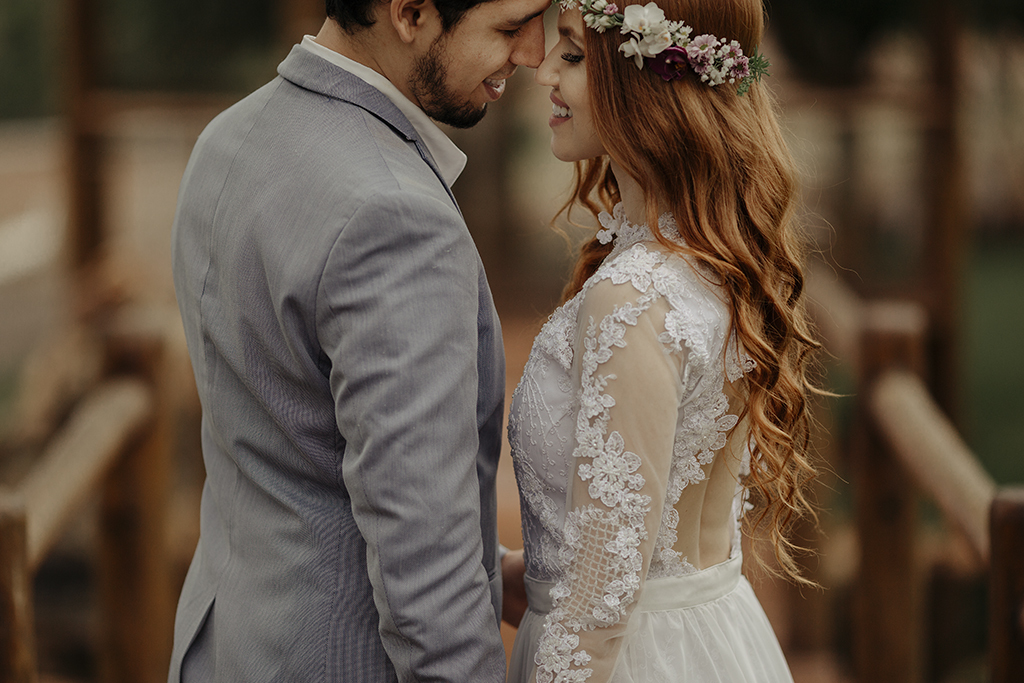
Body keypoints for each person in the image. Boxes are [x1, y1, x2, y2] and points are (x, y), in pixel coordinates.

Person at [165, 0, 548, 679]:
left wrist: (484, 565)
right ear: (409, 12)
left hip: (228, 645)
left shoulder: (230, 136)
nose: (534, 52)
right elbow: (428, 593)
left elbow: (297, 434)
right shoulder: (394, 216)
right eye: (511, 25)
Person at [504, 0, 820, 680]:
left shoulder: (637, 296)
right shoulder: (708, 260)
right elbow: (646, 530)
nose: (543, 76)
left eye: (572, 54)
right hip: (708, 633)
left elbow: (604, 601)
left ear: (642, 73)